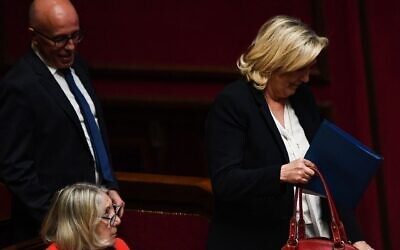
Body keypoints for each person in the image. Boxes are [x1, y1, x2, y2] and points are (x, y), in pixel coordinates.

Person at [205, 15, 373, 250]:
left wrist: (356, 238)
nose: (305, 78)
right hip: (259, 241)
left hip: (317, 239)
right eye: (299, 69)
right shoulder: (233, 103)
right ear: (276, 62)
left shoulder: (302, 98)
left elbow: (326, 175)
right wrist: (281, 174)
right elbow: (225, 182)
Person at [0, 0, 124, 243]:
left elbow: (93, 131)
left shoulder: (79, 67)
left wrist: (110, 185)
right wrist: (58, 218)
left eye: (75, 36)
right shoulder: (19, 85)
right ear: (34, 36)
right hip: (53, 230)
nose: (70, 47)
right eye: (59, 39)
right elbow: (13, 166)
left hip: (95, 220)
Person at [41, 183, 130, 250]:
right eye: (106, 213)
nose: (118, 220)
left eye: (114, 210)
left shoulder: (118, 246)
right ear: (80, 223)